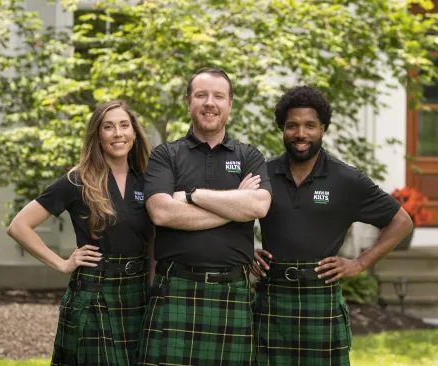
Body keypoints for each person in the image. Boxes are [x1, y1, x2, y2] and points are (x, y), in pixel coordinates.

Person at [250, 85, 413, 365]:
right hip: (271, 299)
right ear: (282, 129)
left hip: (321, 298)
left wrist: (360, 263)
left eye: (310, 125)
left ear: (323, 128)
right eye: (292, 126)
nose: (301, 134)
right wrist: (245, 250)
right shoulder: (263, 174)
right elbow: (231, 216)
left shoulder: (346, 179)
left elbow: (402, 222)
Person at [137, 67, 272, 366]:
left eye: (218, 96)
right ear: (188, 102)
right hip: (176, 290)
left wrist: (190, 195)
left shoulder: (249, 156)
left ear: (230, 104)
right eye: (201, 95)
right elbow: (161, 212)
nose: (210, 102)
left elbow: (259, 206)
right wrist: (234, 205)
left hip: (232, 292)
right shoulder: (166, 155)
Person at [6, 100, 154, 365]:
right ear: (97, 136)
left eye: (124, 125)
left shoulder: (148, 179)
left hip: (138, 294)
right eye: (108, 127)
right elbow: (19, 226)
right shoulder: (77, 180)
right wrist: (62, 263)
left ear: (134, 133)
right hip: (94, 294)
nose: (118, 133)